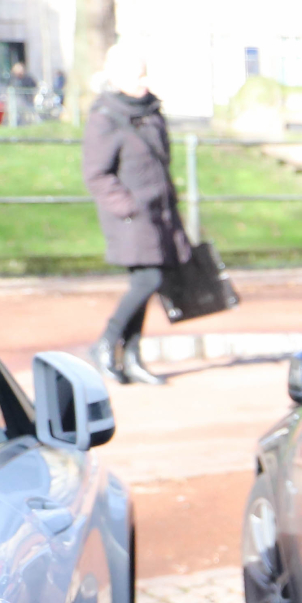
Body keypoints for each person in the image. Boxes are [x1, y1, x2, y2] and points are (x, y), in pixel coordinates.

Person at [81, 42, 191, 386]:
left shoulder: (151, 112)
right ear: (117, 77)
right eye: (136, 74)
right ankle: (105, 344)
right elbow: (97, 174)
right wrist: (126, 206)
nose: (144, 80)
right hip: (131, 218)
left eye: (145, 72)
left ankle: (130, 358)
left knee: (146, 283)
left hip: (160, 214)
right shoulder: (105, 117)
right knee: (149, 281)